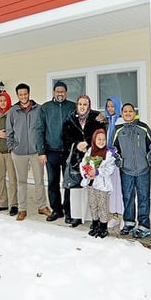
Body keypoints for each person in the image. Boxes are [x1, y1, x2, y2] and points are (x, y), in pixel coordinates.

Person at [6, 83, 52, 221]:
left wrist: (42, 148)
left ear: (29, 93)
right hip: (18, 152)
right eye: (20, 94)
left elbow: (43, 129)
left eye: (25, 94)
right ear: (17, 95)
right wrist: (12, 148)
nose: (23, 96)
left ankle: (42, 206)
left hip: (36, 152)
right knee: (21, 182)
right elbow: (9, 131)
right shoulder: (13, 111)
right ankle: (22, 209)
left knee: (39, 181)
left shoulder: (38, 109)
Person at [62, 94, 106, 227]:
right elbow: (65, 138)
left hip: (92, 158)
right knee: (75, 188)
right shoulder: (69, 119)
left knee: (91, 188)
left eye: (85, 104)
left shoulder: (96, 118)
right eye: (80, 104)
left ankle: (92, 217)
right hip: (75, 158)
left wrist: (88, 143)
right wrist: (76, 144)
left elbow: (102, 135)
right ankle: (75, 216)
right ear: (77, 105)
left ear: (89, 106)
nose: (82, 107)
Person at [113, 103, 151, 239]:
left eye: (130, 111)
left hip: (143, 169)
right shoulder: (118, 130)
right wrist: (119, 160)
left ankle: (144, 225)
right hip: (126, 170)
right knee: (128, 197)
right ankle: (129, 223)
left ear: (134, 112)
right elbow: (113, 149)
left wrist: (149, 160)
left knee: (143, 197)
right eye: (125, 111)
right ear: (122, 114)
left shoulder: (143, 128)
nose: (128, 113)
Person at [37, 81, 76, 223]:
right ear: (54, 92)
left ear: (66, 92)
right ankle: (57, 210)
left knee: (68, 183)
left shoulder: (72, 107)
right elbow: (39, 130)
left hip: (68, 152)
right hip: (51, 151)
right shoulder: (45, 108)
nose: (60, 93)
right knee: (53, 182)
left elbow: (84, 117)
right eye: (57, 91)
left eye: (62, 91)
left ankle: (69, 212)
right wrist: (41, 151)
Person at [80, 129, 116, 238]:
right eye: (99, 139)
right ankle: (95, 224)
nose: (101, 142)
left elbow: (110, 169)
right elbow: (83, 163)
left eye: (103, 139)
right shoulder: (90, 151)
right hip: (91, 183)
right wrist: (86, 173)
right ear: (94, 140)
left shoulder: (109, 153)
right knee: (93, 205)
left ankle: (103, 227)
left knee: (102, 206)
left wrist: (97, 171)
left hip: (102, 184)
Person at [104, 96, 125, 228]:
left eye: (113, 106)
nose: (111, 109)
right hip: (110, 159)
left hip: (121, 159)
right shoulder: (108, 121)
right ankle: (115, 216)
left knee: (123, 189)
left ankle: (125, 216)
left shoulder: (122, 121)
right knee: (113, 188)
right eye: (108, 106)